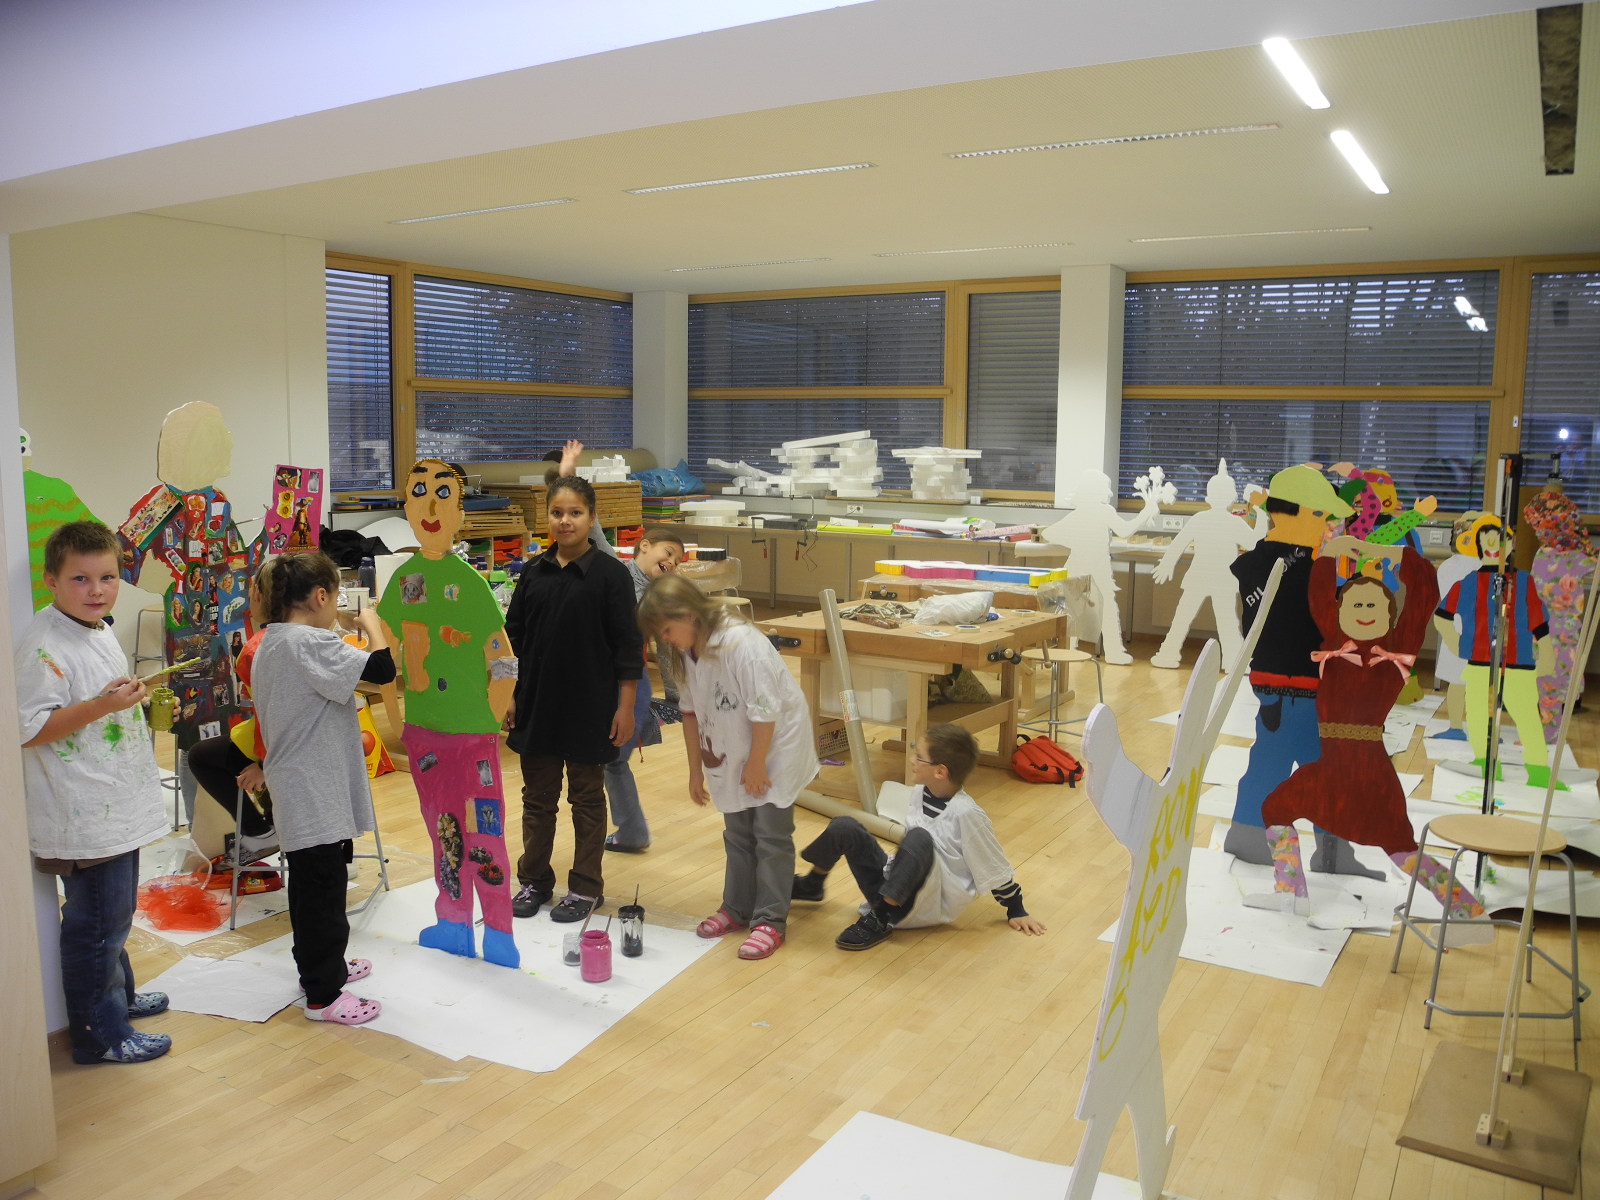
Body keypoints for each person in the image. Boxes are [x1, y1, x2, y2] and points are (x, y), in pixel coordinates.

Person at [1245, 537, 1486, 931]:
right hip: (1331, 768)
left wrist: (1390, 554)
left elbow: (1424, 593)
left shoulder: (1397, 652)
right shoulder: (1335, 644)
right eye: (1355, 605)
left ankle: (1467, 909)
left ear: (1391, 616)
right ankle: (1291, 894)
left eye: (1373, 605)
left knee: (1401, 848)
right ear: (1338, 613)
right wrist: (1331, 551)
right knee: (1277, 808)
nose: (1363, 612)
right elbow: (1319, 595)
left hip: (1369, 771)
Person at [18, 521, 172, 1064]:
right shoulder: (44, 645)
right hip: (82, 812)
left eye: (107, 577)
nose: (97, 590)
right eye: (80, 579)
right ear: (51, 581)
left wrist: (129, 701)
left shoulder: (97, 628)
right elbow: (30, 729)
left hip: (114, 802)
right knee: (97, 926)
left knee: (115, 916)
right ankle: (99, 1036)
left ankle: (119, 1000)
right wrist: (105, 705)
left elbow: (97, 701)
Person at [376, 458, 521, 968]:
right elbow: (383, 655)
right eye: (419, 493)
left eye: (442, 494)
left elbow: (504, 661)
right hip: (425, 733)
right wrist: (397, 720)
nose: (431, 508)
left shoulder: (471, 584)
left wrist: (489, 722)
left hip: (470, 735)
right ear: (407, 509)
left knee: (484, 834)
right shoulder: (405, 581)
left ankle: (499, 932)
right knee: (445, 831)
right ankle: (454, 923)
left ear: (460, 512)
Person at [636, 573, 818, 960]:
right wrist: (694, 771)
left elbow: (765, 710)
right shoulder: (687, 650)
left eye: (666, 630)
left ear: (688, 615)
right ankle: (737, 908)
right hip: (731, 743)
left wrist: (757, 763)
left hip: (774, 746)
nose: (664, 640)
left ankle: (770, 919)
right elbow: (689, 713)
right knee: (737, 831)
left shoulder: (742, 644)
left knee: (770, 834)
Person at [251, 552, 394, 1025]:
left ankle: (319, 968)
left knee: (313, 889)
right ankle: (323, 995)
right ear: (319, 597)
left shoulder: (274, 639)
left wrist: (341, 627)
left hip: (300, 784)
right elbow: (383, 670)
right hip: (312, 788)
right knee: (323, 895)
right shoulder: (310, 643)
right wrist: (371, 623)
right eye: (334, 598)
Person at [1224, 465, 1378, 881]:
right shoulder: (1298, 570)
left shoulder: (1267, 564)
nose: (1325, 527)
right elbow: (1320, 624)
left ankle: (1322, 850)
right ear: (1287, 512)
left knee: (1294, 765)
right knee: (1288, 765)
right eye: (1319, 516)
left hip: (1289, 682)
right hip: (1295, 684)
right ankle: (1290, 845)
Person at [504, 475, 643, 923]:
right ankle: (534, 880)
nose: (566, 521)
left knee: (586, 799)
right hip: (537, 705)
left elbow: (627, 648)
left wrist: (625, 707)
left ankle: (585, 887)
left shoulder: (611, 575)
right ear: (546, 517)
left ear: (591, 517)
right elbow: (512, 640)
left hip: (590, 708)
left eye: (576, 513)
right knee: (537, 799)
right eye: (557, 513)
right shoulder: (533, 572)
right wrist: (507, 695)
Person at [791, 723, 1046, 950]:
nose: (912, 759)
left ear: (940, 772)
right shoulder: (920, 791)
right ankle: (813, 884)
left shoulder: (967, 814)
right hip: (893, 885)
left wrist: (1016, 908)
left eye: (919, 756)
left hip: (919, 905)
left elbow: (991, 864)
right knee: (844, 826)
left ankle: (880, 919)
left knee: (919, 838)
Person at [604, 526, 687, 853]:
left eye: (677, 561)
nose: (672, 562)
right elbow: (595, 533)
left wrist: (677, 696)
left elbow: (667, 648)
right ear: (645, 545)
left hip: (631, 682)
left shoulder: (658, 596)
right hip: (601, 678)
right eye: (669, 553)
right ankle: (630, 831)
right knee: (604, 760)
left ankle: (632, 831)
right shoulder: (615, 570)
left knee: (613, 759)